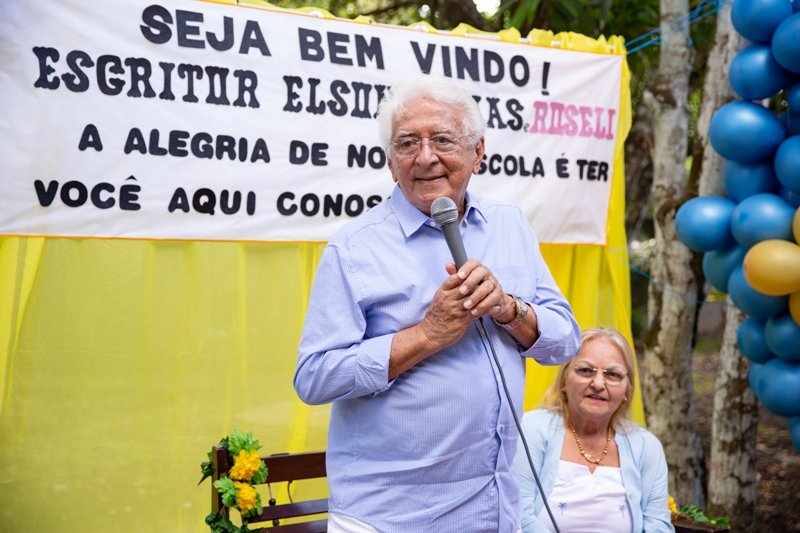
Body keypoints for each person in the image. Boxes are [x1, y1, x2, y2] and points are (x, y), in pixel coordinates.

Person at [294, 74, 580, 533]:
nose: (425, 157)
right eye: (407, 144)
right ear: (391, 163)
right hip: (388, 517)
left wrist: (510, 309)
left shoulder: (510, 226)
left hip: (494, 509)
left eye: (442, 140)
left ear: (478, 152)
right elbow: (313, 377)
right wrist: (426, 336)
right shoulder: (354, 248)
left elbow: (565, 341)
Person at [512, 327, 674, 533]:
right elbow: (518, 515)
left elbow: (658, 525)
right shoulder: (532, 429)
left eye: (613, 374)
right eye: (585, 370)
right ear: (564, 379)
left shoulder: (646, 446)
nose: (598, 384)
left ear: (627, 389)